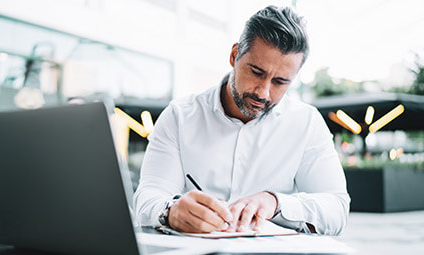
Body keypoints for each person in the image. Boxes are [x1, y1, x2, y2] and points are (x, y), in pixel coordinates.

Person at [133, 6, 350, 235]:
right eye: (257, 72)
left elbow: (336, 210)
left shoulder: (306, 123)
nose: (263, 93)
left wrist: (276, 203)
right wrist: (170, 211)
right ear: (234, 55)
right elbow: (148, 198)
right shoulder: (179, 116)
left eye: (280, 82)